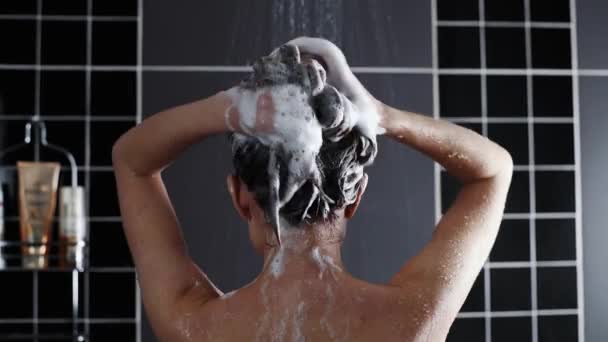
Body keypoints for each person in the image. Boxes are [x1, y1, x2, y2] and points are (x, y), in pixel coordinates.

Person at [112, 37, 513, 341]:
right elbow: (493, 170)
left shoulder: (194, 326)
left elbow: (131, 160)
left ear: (238, 197)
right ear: (355, 198)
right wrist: (381, 116)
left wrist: (232, 108)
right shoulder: (412, 319)